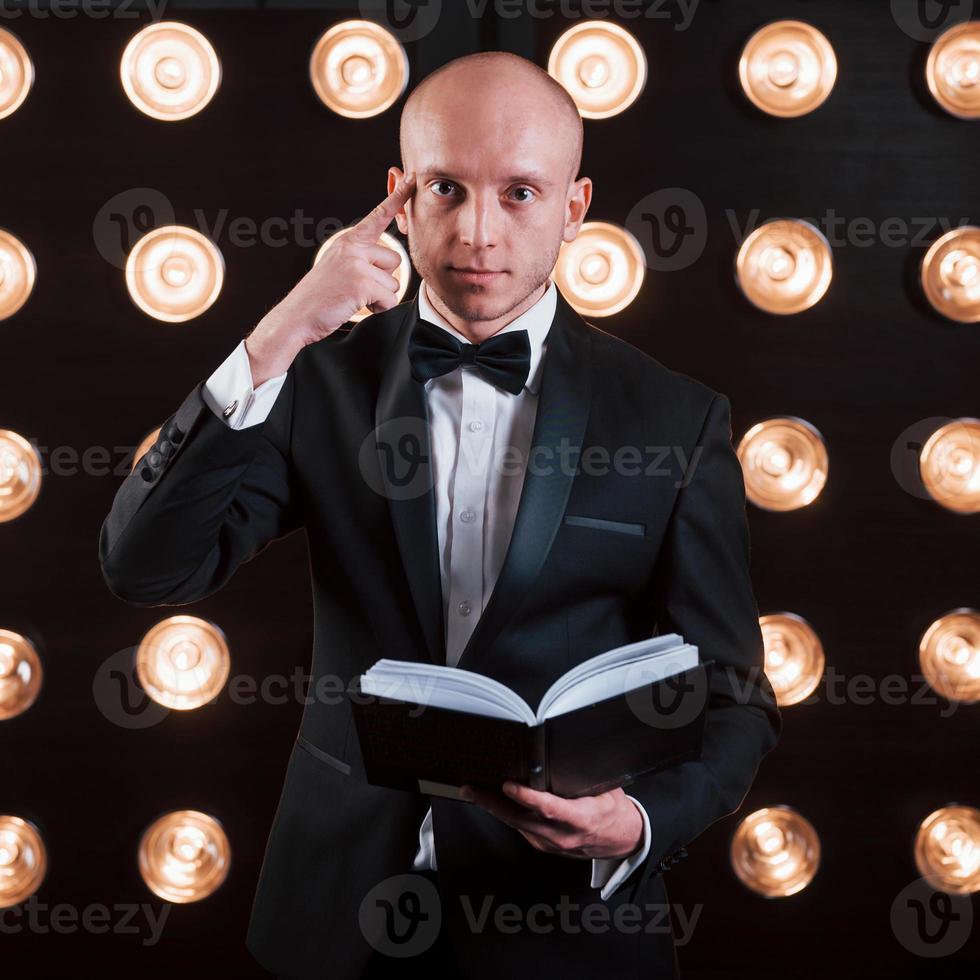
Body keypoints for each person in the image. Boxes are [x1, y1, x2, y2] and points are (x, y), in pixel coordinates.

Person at [99, 50, 780, 980]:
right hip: (335, 914)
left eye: (521, 194)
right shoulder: (314, 379)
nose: (478, 234)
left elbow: (738, 698)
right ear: (399, 195)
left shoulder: (674, 417)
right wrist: (280, 333)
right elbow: (144, 567)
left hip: (564, 931)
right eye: (447, 189)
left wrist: (642, 822)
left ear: (576, 208)